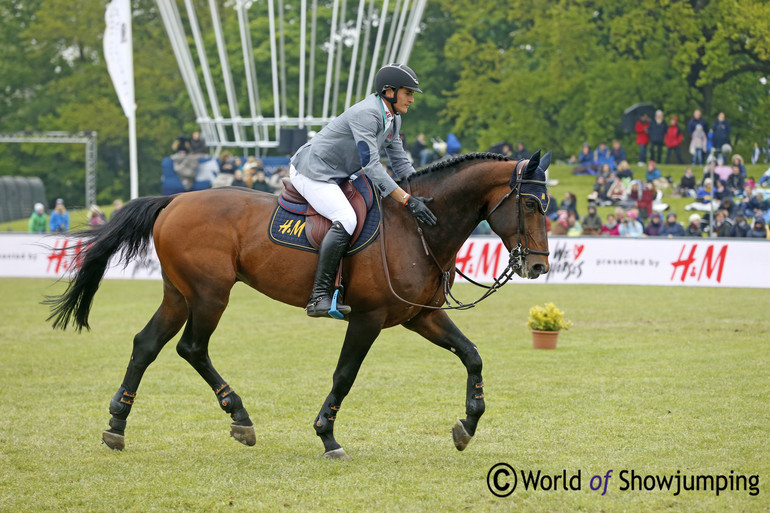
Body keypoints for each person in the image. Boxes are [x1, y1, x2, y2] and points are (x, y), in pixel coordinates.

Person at [289, 63, 436, 318]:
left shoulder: (393, 118)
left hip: (339, 173)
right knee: (346, 218)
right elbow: (371, 167)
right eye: (408, 93)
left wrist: (419, 190)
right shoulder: (367, 114)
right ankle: (319, 296)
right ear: (389, 91)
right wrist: (407, 200)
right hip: (313, 172)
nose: (412, 99)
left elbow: (400, 161)